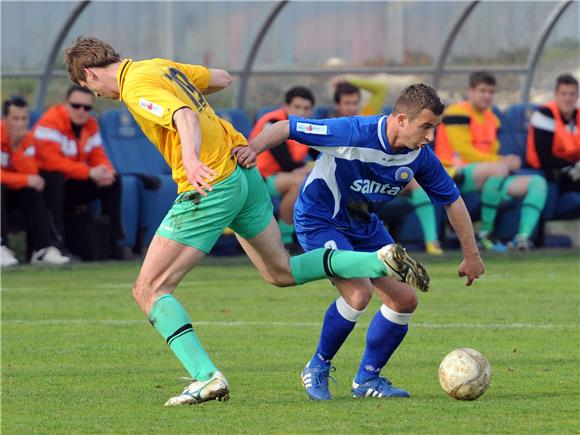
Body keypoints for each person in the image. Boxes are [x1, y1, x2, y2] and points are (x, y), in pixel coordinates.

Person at [64, 36, 430, 406]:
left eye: (88, 88)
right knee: (281, 272)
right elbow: (222, 78)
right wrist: (188, 89)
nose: (97, 96)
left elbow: (184, 116)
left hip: (212, 182)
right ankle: (376, 260)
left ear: (91, 74)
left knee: (149, 289)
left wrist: (190, 160)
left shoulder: (135, 85)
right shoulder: (157, 67)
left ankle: (206, 377)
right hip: (244, 174)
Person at [241, 83, 485, 400]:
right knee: (359, 293)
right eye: (425, 127)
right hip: (320, 219)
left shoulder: (420, 157)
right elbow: (286, 127)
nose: (430, 137)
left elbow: (452, 201)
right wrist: (252, 149)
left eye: (434, 128)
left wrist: (472, 255)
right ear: (400, 120)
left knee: (405, 300)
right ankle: (317, 366)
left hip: (363, 224)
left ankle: (367, 379)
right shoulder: (353, 131)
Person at [435, 71, 548, 251]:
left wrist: (503, 161)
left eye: (491, 91)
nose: (487, 96)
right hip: (455, 174)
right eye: (482, 90)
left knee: (537, 182)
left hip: (488, 176)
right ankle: (485, 233)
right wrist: (503, 162)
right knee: (499, 169)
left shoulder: (492, 118)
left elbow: (492, 152)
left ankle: (522, 238)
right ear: (470, 91)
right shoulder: (457, 112)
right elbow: (463, 151)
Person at [332, 76, 443, 255]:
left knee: (416, 186)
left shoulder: (367, 115)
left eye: (355, 102)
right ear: (337, 105)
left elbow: (380, 88)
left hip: (382, 175)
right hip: (351, 182)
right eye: (347, 103)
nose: (352, 107)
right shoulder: (333, 127)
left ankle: (432, 242)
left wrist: (349, 79)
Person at [33, 85, 125, 257]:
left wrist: (107, 172)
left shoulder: (90, 124)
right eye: (76, 106)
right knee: (55, 178)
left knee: (113, 181)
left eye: (87, 108)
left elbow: (98, 155)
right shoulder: (50, 122)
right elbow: (50, 162)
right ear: (66, 104)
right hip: (48, 185)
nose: (81, 111)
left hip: (73, 181)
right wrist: (89, 173)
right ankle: (57, 244)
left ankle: (114, 242)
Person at [1, 96, 71, 267]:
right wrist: (24, 179)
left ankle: (43, 248)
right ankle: (1, 246)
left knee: (39, 185)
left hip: (14, 192)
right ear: (4, 119)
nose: (20, 124)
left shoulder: (28, 138)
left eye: (24, 118)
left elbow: (32, 173)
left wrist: (17, 147)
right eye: (15, 118)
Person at [251, 86, 315, 248]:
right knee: (300, 182)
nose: (301, 112)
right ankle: (285, 238)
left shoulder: (306, 127)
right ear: (286, 106)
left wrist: (311, 166)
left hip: (277, 177)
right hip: (256, 178)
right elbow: (286, 164)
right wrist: (309, 166)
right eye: (297, 107)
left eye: (306, 108)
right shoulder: (272, 122)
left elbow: (321, 155)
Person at [527, 73, 580, 192]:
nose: (568, 98)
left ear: (577, 96)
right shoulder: (545, 114)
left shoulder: (577, 117)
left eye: (572, 94)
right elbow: (544, 157)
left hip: (572, 167)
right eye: (563, 94)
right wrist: (574, 166)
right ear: (556, 95)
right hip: (548, 168)